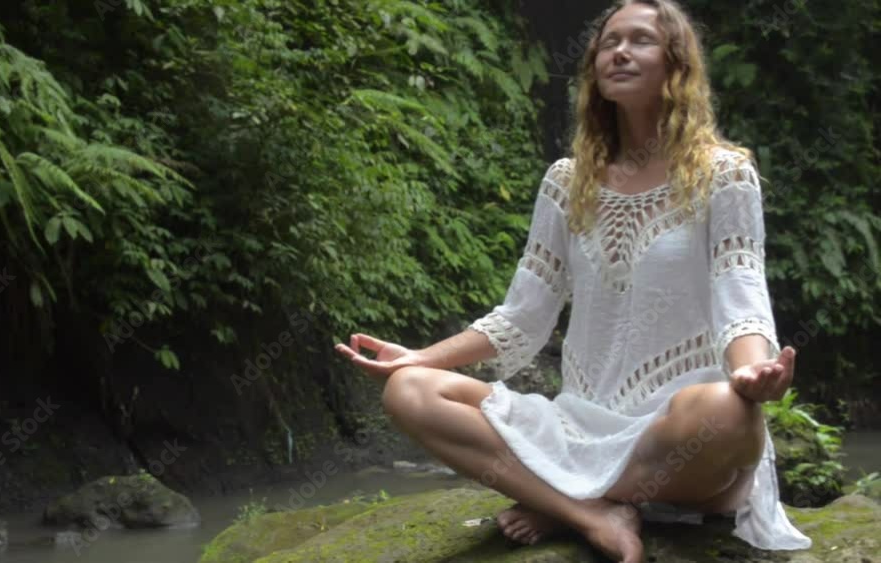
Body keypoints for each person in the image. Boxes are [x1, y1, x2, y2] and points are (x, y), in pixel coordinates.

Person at [334, 1, 813, 561]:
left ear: (676, 65)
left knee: (730, 414)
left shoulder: (724, 174)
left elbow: (741, 292)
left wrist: (753, 368)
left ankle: (550, 492)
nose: (620, 52)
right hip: (577, 427)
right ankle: (590, 511)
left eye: (641, 41)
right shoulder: (567, 182)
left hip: (673, 432)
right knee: (409, 391)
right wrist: (420, 356)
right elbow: (521, 318)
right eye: (609, 42)